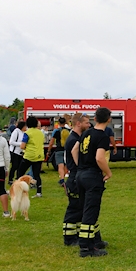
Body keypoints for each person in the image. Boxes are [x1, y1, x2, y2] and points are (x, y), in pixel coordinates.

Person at [71, 107, 112, 258]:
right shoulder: (103, 136)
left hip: (80, 175)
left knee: (85, 209)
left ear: (94, 119)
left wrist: (80, 166)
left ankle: (92, 242)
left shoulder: (85, 133)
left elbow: (74, 150)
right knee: (91, 212)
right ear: (109, 119)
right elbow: (99, 158)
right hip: (92, 177)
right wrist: (108, 172)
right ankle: (87, 248)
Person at [62, 113, 89, 246]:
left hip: (75, 176)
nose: (89, 125)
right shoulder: (74, 139)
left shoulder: (75, 137)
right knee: (74, 209)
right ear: (78, 123)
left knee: (79, 207)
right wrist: (82, 167)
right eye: (86, 122)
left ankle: (77, 235)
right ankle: (69, 238)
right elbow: (74, 154)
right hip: (74, 177)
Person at [17, 116, 46, 197]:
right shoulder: (40, 132)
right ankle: (39, 192)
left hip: (29, 156)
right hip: (39, 156)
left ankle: (19, 189)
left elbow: (22, 146)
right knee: (37, 175)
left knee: (20, 173)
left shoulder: (27, 133)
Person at [48, 117, 71, 187]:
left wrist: (49, 150)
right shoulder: (68, 131)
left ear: (58, 123)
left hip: (59, 150)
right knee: (66, 165)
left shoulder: (57, 131)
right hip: (66, 149)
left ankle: (62, 179)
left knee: (60, 166)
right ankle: (67, 179)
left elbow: (51, 142)